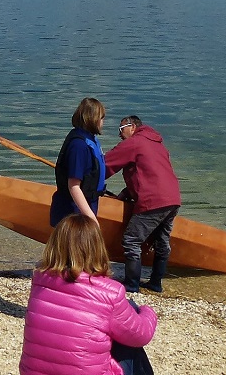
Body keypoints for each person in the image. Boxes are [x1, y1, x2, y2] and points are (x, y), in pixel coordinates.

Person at [20, 214, 157, 375]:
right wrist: (148, 311)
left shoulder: (40, 281)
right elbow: (141, 335)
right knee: (130, 339)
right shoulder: (110, 292)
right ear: (97, 248)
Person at [104, 115, 181, 293]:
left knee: (131, 240)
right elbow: (147, 174)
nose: (120, 135)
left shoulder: (135, 142)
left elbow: (107, 163)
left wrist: (88, 180)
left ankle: (131, 285)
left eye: (121, 129)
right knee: (161, 242)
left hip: (153, 200)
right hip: (173, 199)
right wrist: (125, 193)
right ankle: (155, 283)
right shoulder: (157, 145)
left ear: (131, 127)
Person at [50, 98, 107, 226]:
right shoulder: (79, 146)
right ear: (93, 118)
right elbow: (73, 186)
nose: (103, 122)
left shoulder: (90, 140)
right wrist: (91, 218)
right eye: (102, 118)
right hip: (73, 213)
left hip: (87, 204)